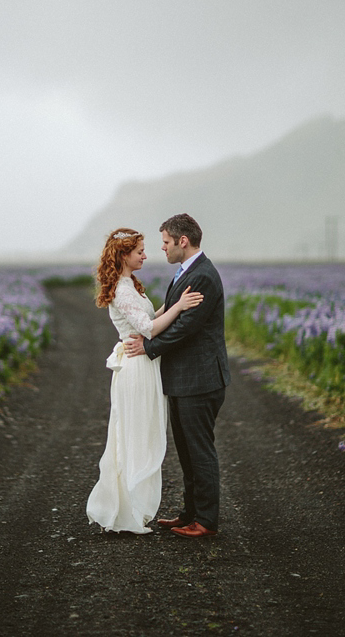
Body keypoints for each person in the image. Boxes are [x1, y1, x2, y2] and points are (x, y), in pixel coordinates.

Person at [86, 227, 204, 535]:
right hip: (137, 368)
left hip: (144, 365)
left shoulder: (129, 285)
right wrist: (179, 307)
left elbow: (150, 317)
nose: (146, 255)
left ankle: (132, 505)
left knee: (143, 434)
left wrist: (175, 299)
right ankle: (126, 510)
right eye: (140, 251)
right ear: (124, 255)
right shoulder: (122, 290)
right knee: (135, 436)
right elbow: (149, 329)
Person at [124, 213, 230, 538]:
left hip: (200, 380)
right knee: (186, 451)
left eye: (166, 243)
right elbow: (173, 317)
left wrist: (148, 346)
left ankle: (206, 522)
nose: (163, 249)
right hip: (186, 379)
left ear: (183, 241)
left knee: (200, 450)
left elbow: (186, 328)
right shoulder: (188, 272)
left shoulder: (202, 277)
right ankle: (190, 514)